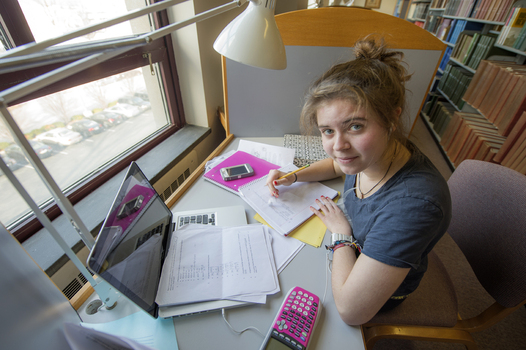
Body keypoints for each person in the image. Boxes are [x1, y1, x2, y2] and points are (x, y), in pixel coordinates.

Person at [266, 38, 452, 326]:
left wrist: (341, 233)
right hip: (356, 249)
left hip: (381, 292)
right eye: (327, 131)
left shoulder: (413, 205)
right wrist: (293, 176)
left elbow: (352, 311)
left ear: (392, 118)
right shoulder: (375, 154)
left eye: (355, 126)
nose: (339, 145)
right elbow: (337, 166)